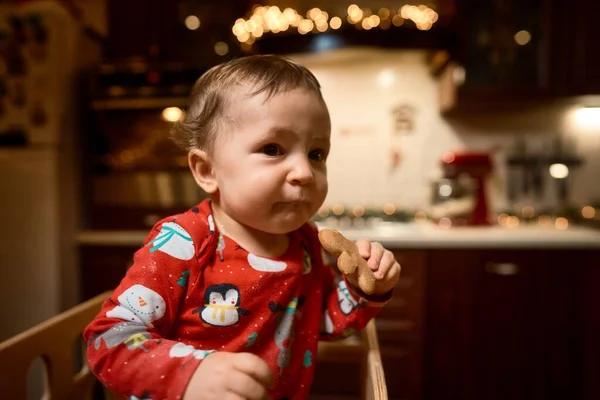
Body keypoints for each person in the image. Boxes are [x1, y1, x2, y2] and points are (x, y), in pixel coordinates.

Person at [84, 54, 401, 400]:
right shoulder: (182, 243)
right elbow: (108, 340)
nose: (305, 173)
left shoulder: (306, 243)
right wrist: (190, 375)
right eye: (272, 149)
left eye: (316, 153)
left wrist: (365, 290)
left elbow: (323, 323)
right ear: (207, 171)